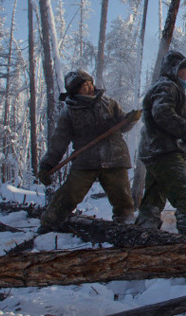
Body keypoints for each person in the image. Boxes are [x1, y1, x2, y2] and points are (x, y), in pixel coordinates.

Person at [38, 70, 136, 232]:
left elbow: (123, 125)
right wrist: (48, 164)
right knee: (69, 194)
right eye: (84, 86)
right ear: (75, 90)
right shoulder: (70, 112)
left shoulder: (109, 103)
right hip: (86, 161)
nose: (89, 87)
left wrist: (130, 119)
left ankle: (126, 226)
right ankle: (49, 224)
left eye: (90, 83)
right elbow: (59, 140)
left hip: (115, 158)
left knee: (123, 198)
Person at [135, 50, 186, 237]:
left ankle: (144, 233)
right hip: (163, 151)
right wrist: (185, 132)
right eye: (183, 70)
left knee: (154, 197)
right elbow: (162, 113)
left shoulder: (163, 86)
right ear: (173, 69)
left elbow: (164, 116)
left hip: (154, 150)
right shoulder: (167, 86)